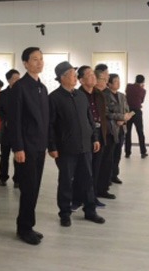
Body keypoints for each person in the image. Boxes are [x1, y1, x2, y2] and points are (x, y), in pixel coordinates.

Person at [48, 62, 105, 227]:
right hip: (66, 148)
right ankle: (65, 213)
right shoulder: (54, 98)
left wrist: (94, 138)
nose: (75, 77)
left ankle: (90, 210)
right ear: (62, 77)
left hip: (85, 146)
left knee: (87, 180)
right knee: (66, 182)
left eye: (75, 74)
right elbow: (50, 125)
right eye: (72, 74)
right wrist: (52, 146)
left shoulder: (80, 96)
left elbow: (89, 119)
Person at [8, 47, 49, 245]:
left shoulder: (42, 87)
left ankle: (28, 225)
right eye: (34, 59)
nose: (39, 62)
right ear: (25, 63)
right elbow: (14, 120)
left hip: (39, 145)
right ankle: (24, 228)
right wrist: (18, 148)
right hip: (26, 146)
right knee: (28, 188)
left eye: (41, 59)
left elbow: (45, 119)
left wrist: (47, 144)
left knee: (35, 188)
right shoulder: (20, 87)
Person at [72, 66, 109, 209]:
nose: (93, 77)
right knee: (81, 170)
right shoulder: (77, 95)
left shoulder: (99, 94)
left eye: (93, 74)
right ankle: (77, 199)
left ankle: (92, 197)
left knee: (96, 168)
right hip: (85, 135)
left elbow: (103, 116)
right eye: (89, 75)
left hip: (99, 134)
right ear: (81, 80)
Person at [105, 73, 132, 190]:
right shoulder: (105, 95)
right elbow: (107, 113)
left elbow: (127, 110)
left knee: (117, 153)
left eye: (119, 80)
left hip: (121, 128)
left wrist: (124, 119)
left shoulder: (122, 96)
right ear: (109, 83)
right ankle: (107, 176)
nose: (118, 83)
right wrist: (120, 117)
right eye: (115, 81)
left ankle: (114, 174)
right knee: (109, 154)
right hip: (112, 128)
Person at [0, 69, 20, 187]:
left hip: (19, 130)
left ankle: (17, 179)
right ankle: (3, 177)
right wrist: (4, 120)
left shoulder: (22, 93)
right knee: (4, 156)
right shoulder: (2, 94)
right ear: (8, 80)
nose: (17, 81)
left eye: (18, 79)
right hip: (6, 129)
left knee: (18, 155)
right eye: (15, 79)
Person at [125, 74, 148, 158]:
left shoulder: (128, 86)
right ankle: (143, 152)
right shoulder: (143, 90)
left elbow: (127, 96)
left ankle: (127, 152)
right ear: (143, 82)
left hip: (128, 111)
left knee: (127, 132)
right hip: (137, 111)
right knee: (140, 132)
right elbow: (141, 101)